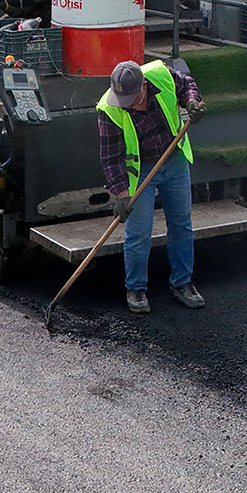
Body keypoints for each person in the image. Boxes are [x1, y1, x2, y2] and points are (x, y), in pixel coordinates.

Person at [96, 58, 205, 315]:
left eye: (132, 98)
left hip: (174, 158)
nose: (126, 104)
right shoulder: (109, 109)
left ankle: (182, 283)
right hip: (142, 171)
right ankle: (135, 289)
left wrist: (191, 102)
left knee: (181, 223)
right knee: (138, 232)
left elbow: (187, 84)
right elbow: (110, 157)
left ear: (144, 86)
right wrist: (121, 194)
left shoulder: (162, 75)